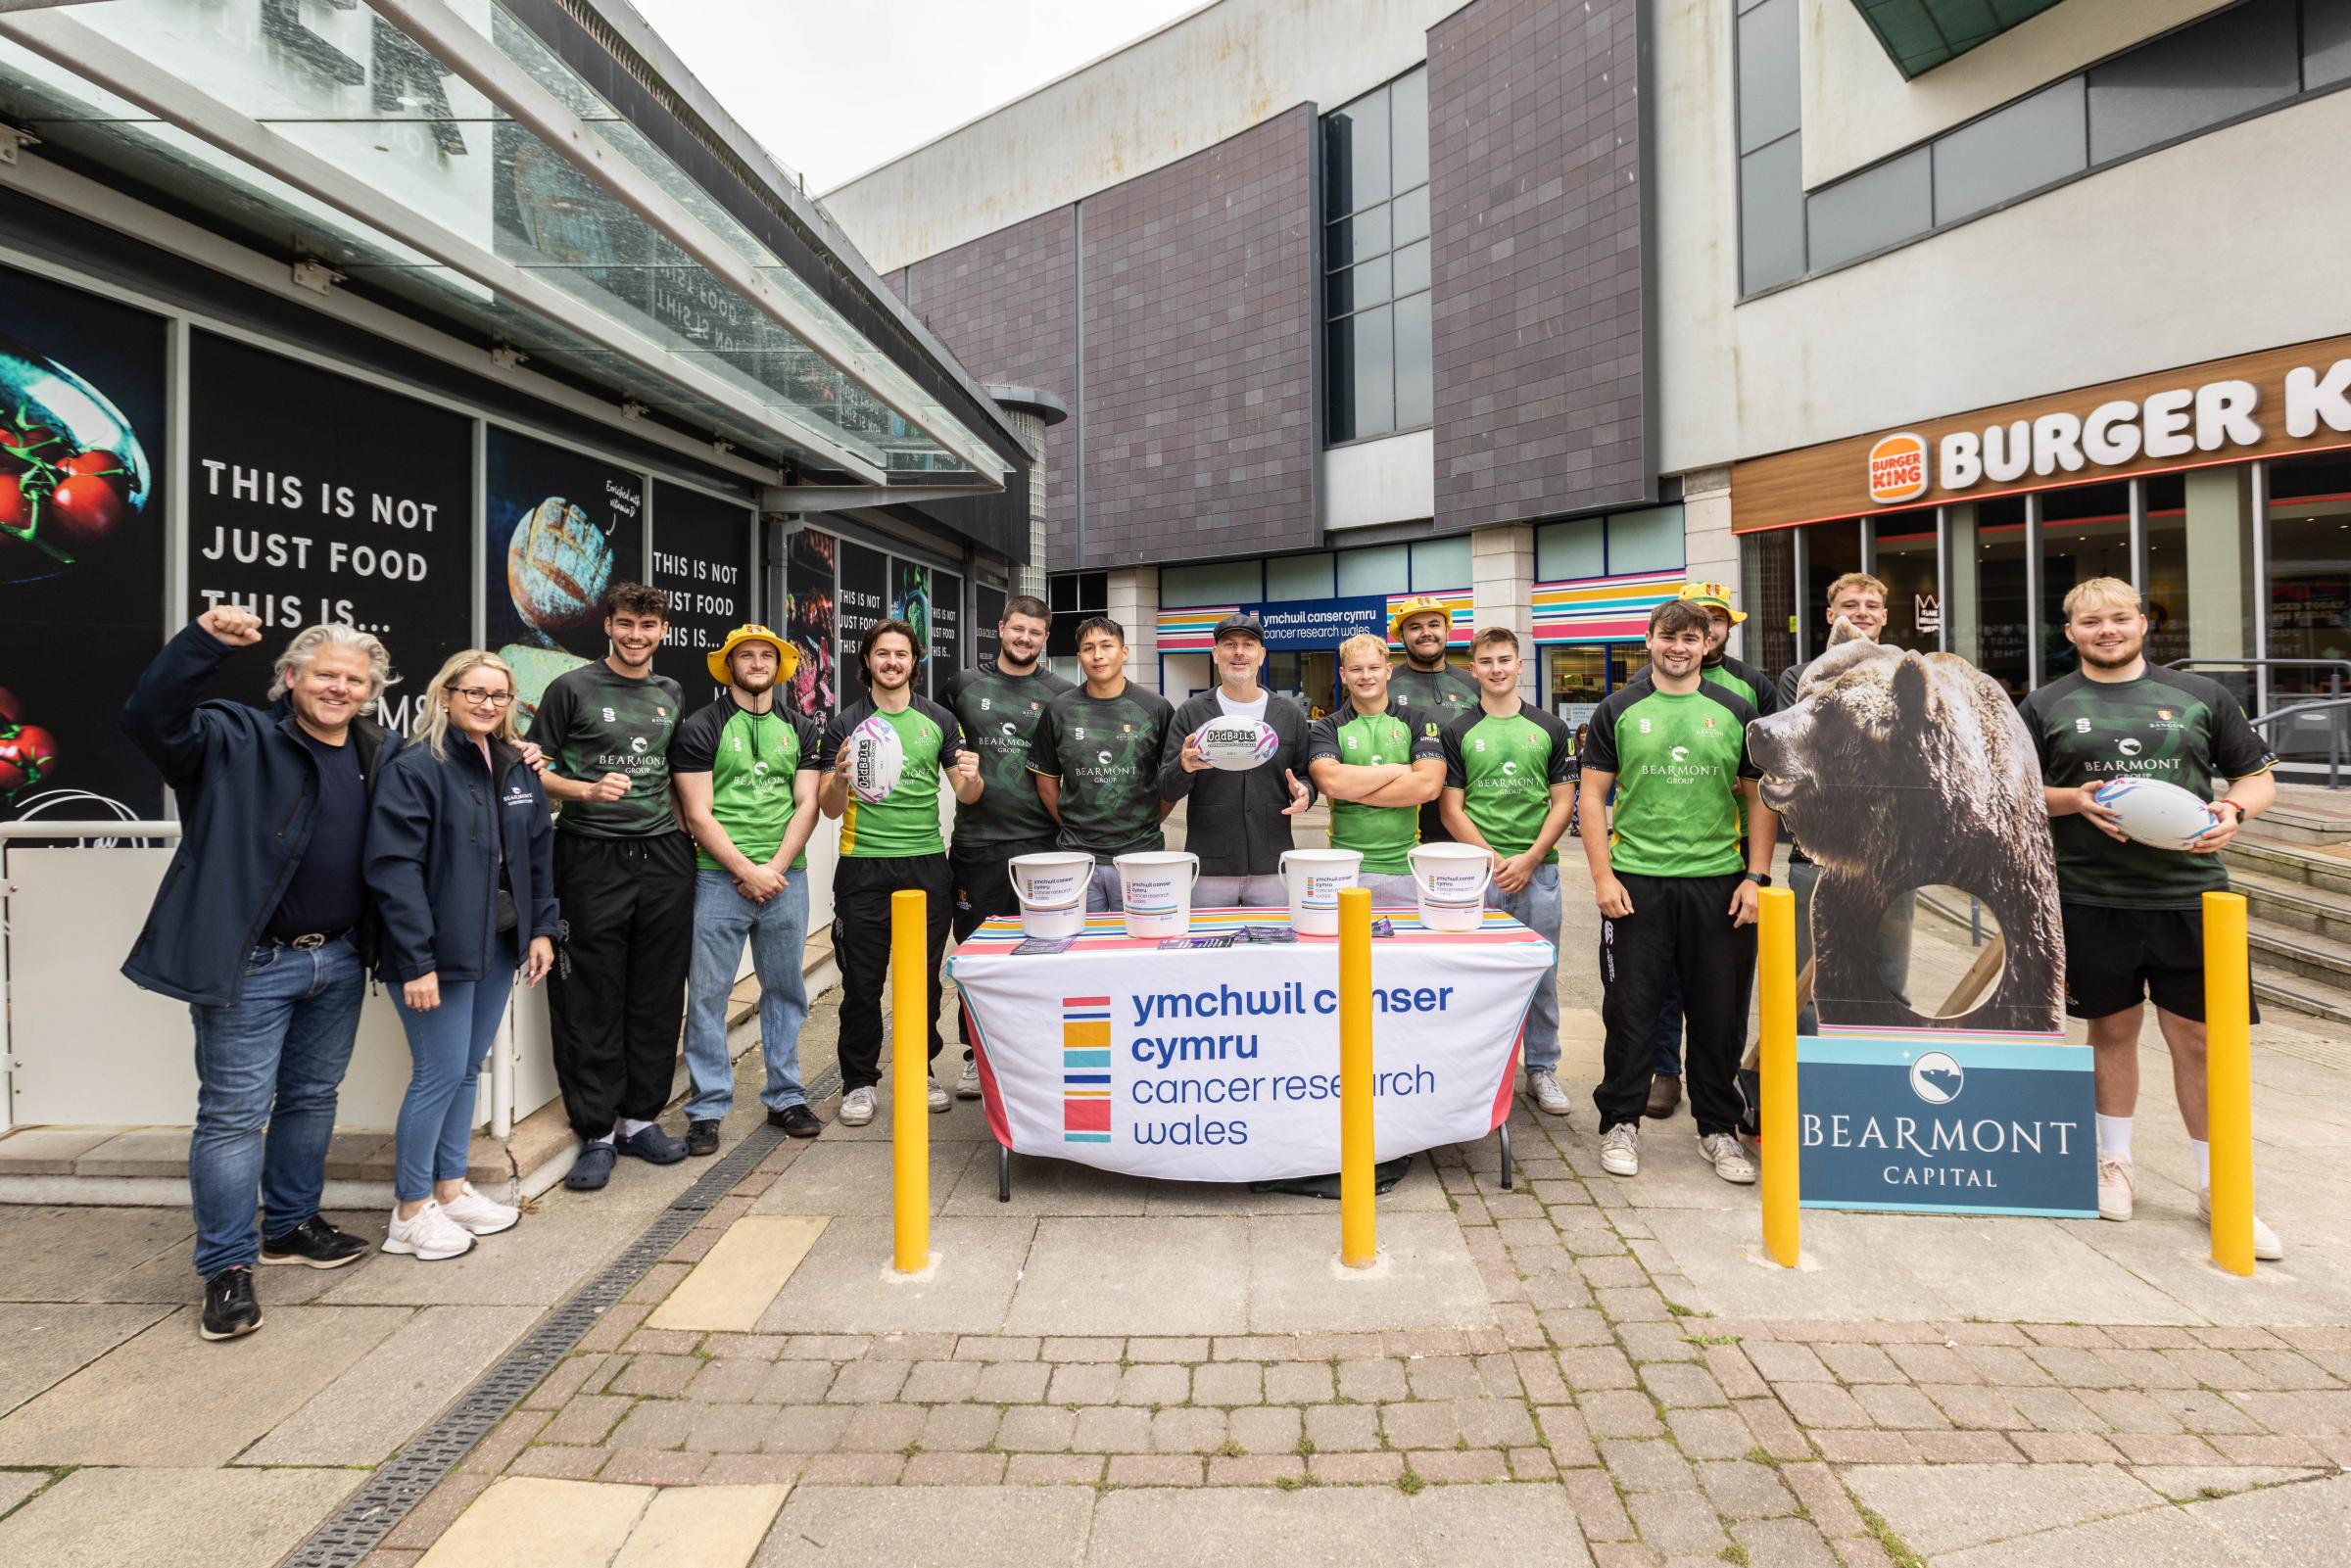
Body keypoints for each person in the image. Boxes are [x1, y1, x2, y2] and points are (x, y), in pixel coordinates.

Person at [120, 607, 402, 1341]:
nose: (340, 687)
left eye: (354, 678)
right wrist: (202, 644)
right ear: (289, 678)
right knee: (234, 1117)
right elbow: (151, 716)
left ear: (371, 690)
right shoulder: (232, 737)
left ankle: (291, 1224)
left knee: (311, 1098)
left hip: (337, 957)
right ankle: (226, 1267)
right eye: (326, 674)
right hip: (255, 962)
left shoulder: (377, 748)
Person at [2018, 577, 2283, 1257]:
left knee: (2200, 1042)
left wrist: (2234, 810)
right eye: (2090, 621)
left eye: (2119, 618)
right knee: (2111, 1031)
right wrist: (2074, 800)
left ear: (2143, 622)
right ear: (2069, 630)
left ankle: (2217, 1184)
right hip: (2091, 894)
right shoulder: (2046, 704)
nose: (2107, 629)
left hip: (2193, 896)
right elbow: (2015, 792)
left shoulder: (2201, 697)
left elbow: (2257, 775)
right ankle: (2115, 1165)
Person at [1578, 598, 1778, 1183]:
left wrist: (1756, 876)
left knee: (1718, 1015)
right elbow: (1592, 798)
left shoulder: (1737, 709)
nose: (1680, 646)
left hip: (1718, 883)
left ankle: (1717, 1129)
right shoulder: (1617, 709)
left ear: (1708, 643)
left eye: (1693, 637)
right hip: (1636, 883)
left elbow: (1758, 795)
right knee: (1631, 1011)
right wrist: (1602, 876)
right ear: (1650, 640)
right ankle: (1621, 1121)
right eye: (1669, 636)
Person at [365, 650, 556, 1260]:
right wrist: (416, 960)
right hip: (435, 955)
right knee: (438, 1074)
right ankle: (409, 1210)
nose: (487, 704)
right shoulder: (416, 767)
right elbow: (394, 871)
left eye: (499, 695)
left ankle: (449, 1190)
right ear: (445, 694)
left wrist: (541, 928)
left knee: (466, 1070)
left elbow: (536, 856)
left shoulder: (515, 765)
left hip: (497, 944)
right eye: (474, 692)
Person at [530, 583, 696, 1191]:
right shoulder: (570, 688)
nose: (636, 636)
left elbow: (680, 776)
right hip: (588, 856)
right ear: (607, 625)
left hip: (662, 858)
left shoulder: (670, 691)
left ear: (663, 631)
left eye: (648, 627)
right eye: (626, 624)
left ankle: (639, 1120)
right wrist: (587, 790)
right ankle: (596, 1131)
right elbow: (534, 770)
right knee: (591, 993)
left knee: (655, 990)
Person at [817, 618, 984, 1127]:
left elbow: (967, 793)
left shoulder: (938, 720)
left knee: (925, 981)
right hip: (862, 866)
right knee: (862, 983)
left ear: (915, 662)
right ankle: (859, 1082)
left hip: (926, 865)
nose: (892, 662)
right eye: (882, 654)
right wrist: (840, 779)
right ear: (866, 661)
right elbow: (827, 808)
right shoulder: (844, 724)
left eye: (902, 655)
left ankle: (920, 1068)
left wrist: (973, 777)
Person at [672, 625, 825, 1154]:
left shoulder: (802, 728)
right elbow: (696, 813)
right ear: (729, 665)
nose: (757, 663)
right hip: (717, 878)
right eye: (747, 655)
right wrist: (746, 869)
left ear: (779, 667)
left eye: (767, 655)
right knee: (709, 995)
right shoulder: (701, 725)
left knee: (785, 992)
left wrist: (774, 868)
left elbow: (807, 803)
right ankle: (707, 1108)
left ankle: (786, 1096)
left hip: (787, 877)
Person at [1636, 582, 1783, 1120]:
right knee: (1663, 977)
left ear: (1722, 631)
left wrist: (1757, 871)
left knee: (1722, 983)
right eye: (1700, 624)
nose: (1709, 633)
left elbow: (1766, 774)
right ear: (1657, 638)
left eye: (1718, 623)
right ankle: (1663, 1072)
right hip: (1659, 858)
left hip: (1733, 853)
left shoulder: (1753, 686)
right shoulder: (1643, 684)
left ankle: (1718, 1084)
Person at [1439, 628, 1578, 1117]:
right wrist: (1494, 861)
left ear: (1521, 667)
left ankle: (1542, 1069)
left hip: (1539, 873)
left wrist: (1531, 858)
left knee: (1541, 974)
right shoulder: (1457, 731)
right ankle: (1485, 1071)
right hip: (1482, 876)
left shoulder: (1550, 728)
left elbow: (1564, 802)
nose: (1496, 669)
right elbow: (1452, 808)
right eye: (1486, 661)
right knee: (1479, 978)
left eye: (1505, 660)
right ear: (1472, 670)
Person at [1773, 571, 1916, 1042]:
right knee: (1811, 984)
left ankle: (1877, 1084)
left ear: (1885, 616)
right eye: (1851, 605)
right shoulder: (1801, 677)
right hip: (1819, 860)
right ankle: (1814, 1095)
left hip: (1894, 861)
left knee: (1888, 979)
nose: (1862, 613)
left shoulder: (1911, 673)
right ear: (1831, 615)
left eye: (1871, 605)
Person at [942, 594, 1072, 1097]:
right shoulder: (964, 686)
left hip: (1045, 845)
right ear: (1001, 628)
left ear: (1045, 638)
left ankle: (1033, 1055)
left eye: (1035, 633)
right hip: (979, 843)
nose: (1025, 639)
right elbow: (936, 748)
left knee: (1043, 953)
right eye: (1018, 629)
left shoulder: (1062, 694)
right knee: (977, 955)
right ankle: (976, 1055)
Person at [1159, 612, 1315, 905]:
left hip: (1273, 866)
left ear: (1262, 655)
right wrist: (1183, 767)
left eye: (1248, 645)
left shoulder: (1289, 714)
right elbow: (1167, 787)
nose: (1239, 652)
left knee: (1273, 947)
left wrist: (1306, 792)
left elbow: (1306, 774)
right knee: (1208, 946)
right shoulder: (1191, 713)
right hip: (1209, 868)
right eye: (1229, 645)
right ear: (1216, 654)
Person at [1030, 616, 1176, 911]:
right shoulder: (1059, 710)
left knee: (1142, 943)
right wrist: (1074, 825)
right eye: (1088, 648)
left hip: (1141, 856)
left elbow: (1171, 781)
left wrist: (1146, 823)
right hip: (1077, 857)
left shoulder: (1156, 708)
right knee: (1080, 946)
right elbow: (1046, 783)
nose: (1098, 655)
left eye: (1106, 646)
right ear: (1079, 658)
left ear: (1124, 652)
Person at [1305, 633, 1446, 905]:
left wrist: (1353, 788)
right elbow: (1332, 783)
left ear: (1388, 671)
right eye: (1356, 669)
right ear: (1344, 675)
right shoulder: (1327, 727)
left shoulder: (1418, 721)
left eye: (1374, 668)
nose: (1365, 676)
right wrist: (1399, 769)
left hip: (1405, 869)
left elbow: (1428, 786)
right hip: (1344, 870)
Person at [1387, 595, 1480, 848]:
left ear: (1447, 630)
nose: (1426, 633)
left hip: (1467, 825)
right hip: (1398, 825)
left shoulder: (1475, 685)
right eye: (1415, 627)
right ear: (1401, 636)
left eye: (1434, 624)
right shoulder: (1381, 686)